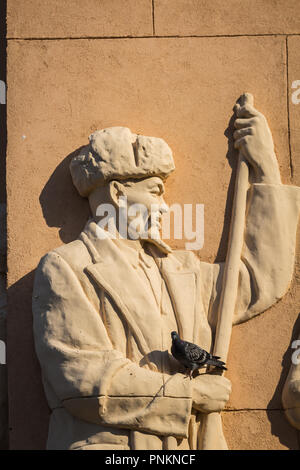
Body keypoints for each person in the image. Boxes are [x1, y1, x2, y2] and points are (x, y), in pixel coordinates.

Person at [32, 98, 300, 450]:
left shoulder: (179, 270)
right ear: (118, 193)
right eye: (155, 192)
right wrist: (188, 395)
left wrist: (265, 169)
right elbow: (82, 378)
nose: (164, 207)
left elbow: (257, 278)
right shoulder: (66, 267)